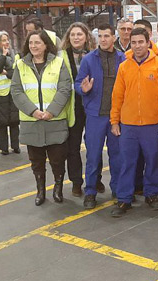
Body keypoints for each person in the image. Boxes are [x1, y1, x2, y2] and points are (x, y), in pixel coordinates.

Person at [110, 27, 158, 217]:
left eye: (141, 42)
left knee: (153, 160)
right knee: (127, 162)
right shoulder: (124, 66)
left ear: (149, 42)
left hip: (152, 125)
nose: (137, 46)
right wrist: (115, 121)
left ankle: (151, 194)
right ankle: (124, 199)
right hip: (128, 125)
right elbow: (117, 96)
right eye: (134, 42)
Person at [10, 30, 73, 205]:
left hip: (55, 120)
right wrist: (33, 111)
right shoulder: (20, 65)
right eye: (31, 43)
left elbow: (64, 89)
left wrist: (51, 111)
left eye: (37, 43)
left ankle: (58, 189)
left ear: (46, 45)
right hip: (32, 122)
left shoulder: (58, 63)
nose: (33, 46)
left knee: (57, 159)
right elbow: (16, 91)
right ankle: (40, 191)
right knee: (36, 161)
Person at [75, 23, 125, 207]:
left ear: (114, 38)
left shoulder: (123, 58)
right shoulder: (89, 59)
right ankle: (90, 192)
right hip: (95, 116)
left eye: (107, 36)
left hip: (116, 117)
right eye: (100, 36)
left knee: (117, 156)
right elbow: (78, 83)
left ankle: (119, 191)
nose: (103, 40)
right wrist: (83, 88)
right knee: (93, 156)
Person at [60, 23, 95, 196]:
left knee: (93, 146)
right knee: (72, 147)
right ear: (68, 37)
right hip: (72, 107)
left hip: (91, 105)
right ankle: (76, 181)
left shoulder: (95, 54)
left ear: (86, 36)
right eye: (72, 34)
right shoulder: (61, 57)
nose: (76, 38)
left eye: (79, 34)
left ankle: (94, 180)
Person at [0, 31, 20, 155]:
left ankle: (16, 145)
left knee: (14, 120)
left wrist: (7, 72)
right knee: (2, 122)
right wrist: (3, 57)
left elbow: (16, 72)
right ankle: (4, 148)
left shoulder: (14, 55)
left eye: (7, 40)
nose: (7, 43)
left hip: (12, 92)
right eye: (3, 40)